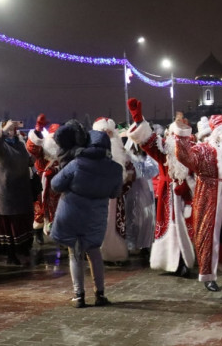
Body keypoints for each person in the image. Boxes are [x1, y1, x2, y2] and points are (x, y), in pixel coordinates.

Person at [174, 114, 222, 296]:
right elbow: (185, 156)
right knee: (207, 238)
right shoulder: (203, 150)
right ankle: (208, 277)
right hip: (208, 199)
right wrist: (182, 134)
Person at [51, 130, 124, 307]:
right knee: (94, 252)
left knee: (75, 253)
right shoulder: (115, 168)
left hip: (71, 213)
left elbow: (55, 185)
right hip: (96, 216)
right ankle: (100, 294)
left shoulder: (76, 164)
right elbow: (115, 193)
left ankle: (79, 296)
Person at [127, 100, 197, 277]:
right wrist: (138, 119)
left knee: (187, 228)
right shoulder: (164, 148)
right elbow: (147, 140)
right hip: (168, 195)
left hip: (188, 195)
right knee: (170, 228)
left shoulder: (195, 150)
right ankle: (171, 261)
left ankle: (185, 260)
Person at [0, 120, 35, 265]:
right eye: (10, 128)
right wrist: (4, 130)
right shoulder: (0, 146)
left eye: (14, 128)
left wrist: (31, 160)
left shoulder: (18, 144)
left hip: (20, 187)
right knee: (9, 223)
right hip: (5, 189)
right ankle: (10, 254)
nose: (13, 131)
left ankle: (22, 249)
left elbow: (25, 160)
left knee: (21, 220)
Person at [93, 117, 135, 265]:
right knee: (101, 225)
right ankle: (101, 254)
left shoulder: (121, 152)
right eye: (104, 133)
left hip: (116, 196)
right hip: (99, 196)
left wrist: (127, 179)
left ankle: (117, 253)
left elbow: (130, 171)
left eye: (110, 133)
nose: (108, 136)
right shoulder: (93, 153)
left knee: (117, 224)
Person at [26, 114, 62, 245]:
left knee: (60, 210)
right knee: (40, 210)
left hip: (60, 183)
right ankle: (38, 233)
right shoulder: (43, 148)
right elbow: (31, 147)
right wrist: (37, 130)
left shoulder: (64, 148)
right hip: (43, 183)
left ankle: (60, 235)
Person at [124, 140, 158, 257]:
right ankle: (131, 245)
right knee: (132, 216)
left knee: (147, 217)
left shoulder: (147, 157)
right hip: (132, 190)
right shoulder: (127, 155)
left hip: (145, 189)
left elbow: (152, 170)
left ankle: (145, 244)